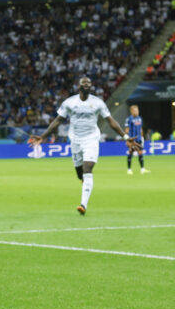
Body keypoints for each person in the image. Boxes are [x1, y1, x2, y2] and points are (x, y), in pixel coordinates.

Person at [28, 77, 142, 215]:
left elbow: (111, 121)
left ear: (91, 86)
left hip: (91, 140)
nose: (87, 84)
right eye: (84, 83)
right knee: (79, 173)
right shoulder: (70, 102)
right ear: (79, 86)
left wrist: (125, 136)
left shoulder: (98, 103)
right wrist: (43, 136)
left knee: (87, 169)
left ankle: (83, 204)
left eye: (89, 82)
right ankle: (84, 183)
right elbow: (58, 121)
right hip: (75, 140)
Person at [124, 104, 149, 175]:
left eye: (137, 110)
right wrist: (127, 140)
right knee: (130, 153)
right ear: (131, 111)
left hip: (139, 139)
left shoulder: (140, 118)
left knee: (140, 153)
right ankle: (129, 170)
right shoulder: (129, 119)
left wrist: (142, 137)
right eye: (135, 110)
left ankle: (142, 169)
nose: (137, 111)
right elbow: (126, 130)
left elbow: (140, 128)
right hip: (132, 140)